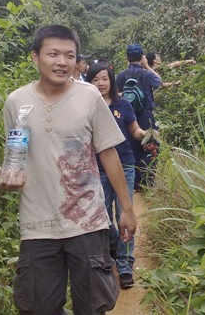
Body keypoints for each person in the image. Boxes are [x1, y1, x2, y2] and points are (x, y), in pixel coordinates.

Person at [0, 25, 136, 315]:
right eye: (53, 54)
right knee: (38, 308)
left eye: (69, 55)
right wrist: (8, 178)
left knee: (93, 307)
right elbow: (15, 155)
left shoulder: (89, 96)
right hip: (37, 225)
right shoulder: (16, 102)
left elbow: (108, 152)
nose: (62, 62)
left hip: (88, 222)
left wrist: (126, 208)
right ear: (35, 56)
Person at [86, 61, 146, 289]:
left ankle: (125, 264)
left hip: (125, 165)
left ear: (111, 81)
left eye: (104, 79)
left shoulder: (123, 104)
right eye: (95, 79)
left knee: (124, 212)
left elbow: (134, 130)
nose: (100, 83)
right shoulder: (86, 106)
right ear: (89, 82)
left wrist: (146, 134)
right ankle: (112, 244)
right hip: (97, 168)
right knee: (102, 215)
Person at [116, 44, 161, 190]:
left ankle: (133, 182)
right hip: (145, 115)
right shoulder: (147, 74)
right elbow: (158, 82)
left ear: (127, 58)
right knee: (150, 146)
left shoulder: (121, 75)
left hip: (127, 116)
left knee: (131, 147)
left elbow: (116, 93)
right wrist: (147, 66)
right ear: (142, 57)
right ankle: (147, 182)